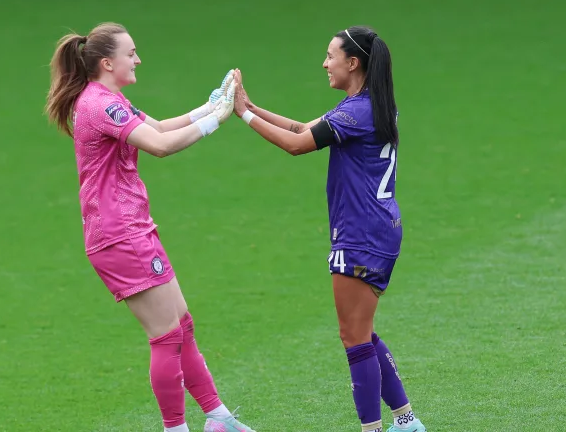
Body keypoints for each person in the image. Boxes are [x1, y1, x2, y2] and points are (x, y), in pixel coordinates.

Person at [45, 22, 255, 432]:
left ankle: (218, 418)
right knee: (165, 336)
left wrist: (212, 106)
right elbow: (159, 147)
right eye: (131, 53)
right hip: (120, 235)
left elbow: (159, 127)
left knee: (182, 325)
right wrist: (218, 121)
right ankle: (175, 428)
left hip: (132, 229)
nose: (138, 59)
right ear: (108, 62)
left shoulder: (108, 99)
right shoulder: (99, 104)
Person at [232, 26, 426, 432]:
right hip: (380, 229)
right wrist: (252, 105)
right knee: (362, 331)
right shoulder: (369, 106)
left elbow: (296, 146)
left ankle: (372, 428)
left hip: (360, 235)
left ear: (352, 63)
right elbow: (304, 129)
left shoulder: (354, 113)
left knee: (353, 337)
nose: (324, 63)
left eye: (330, 56)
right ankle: (406, 421)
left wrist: (242, 115)